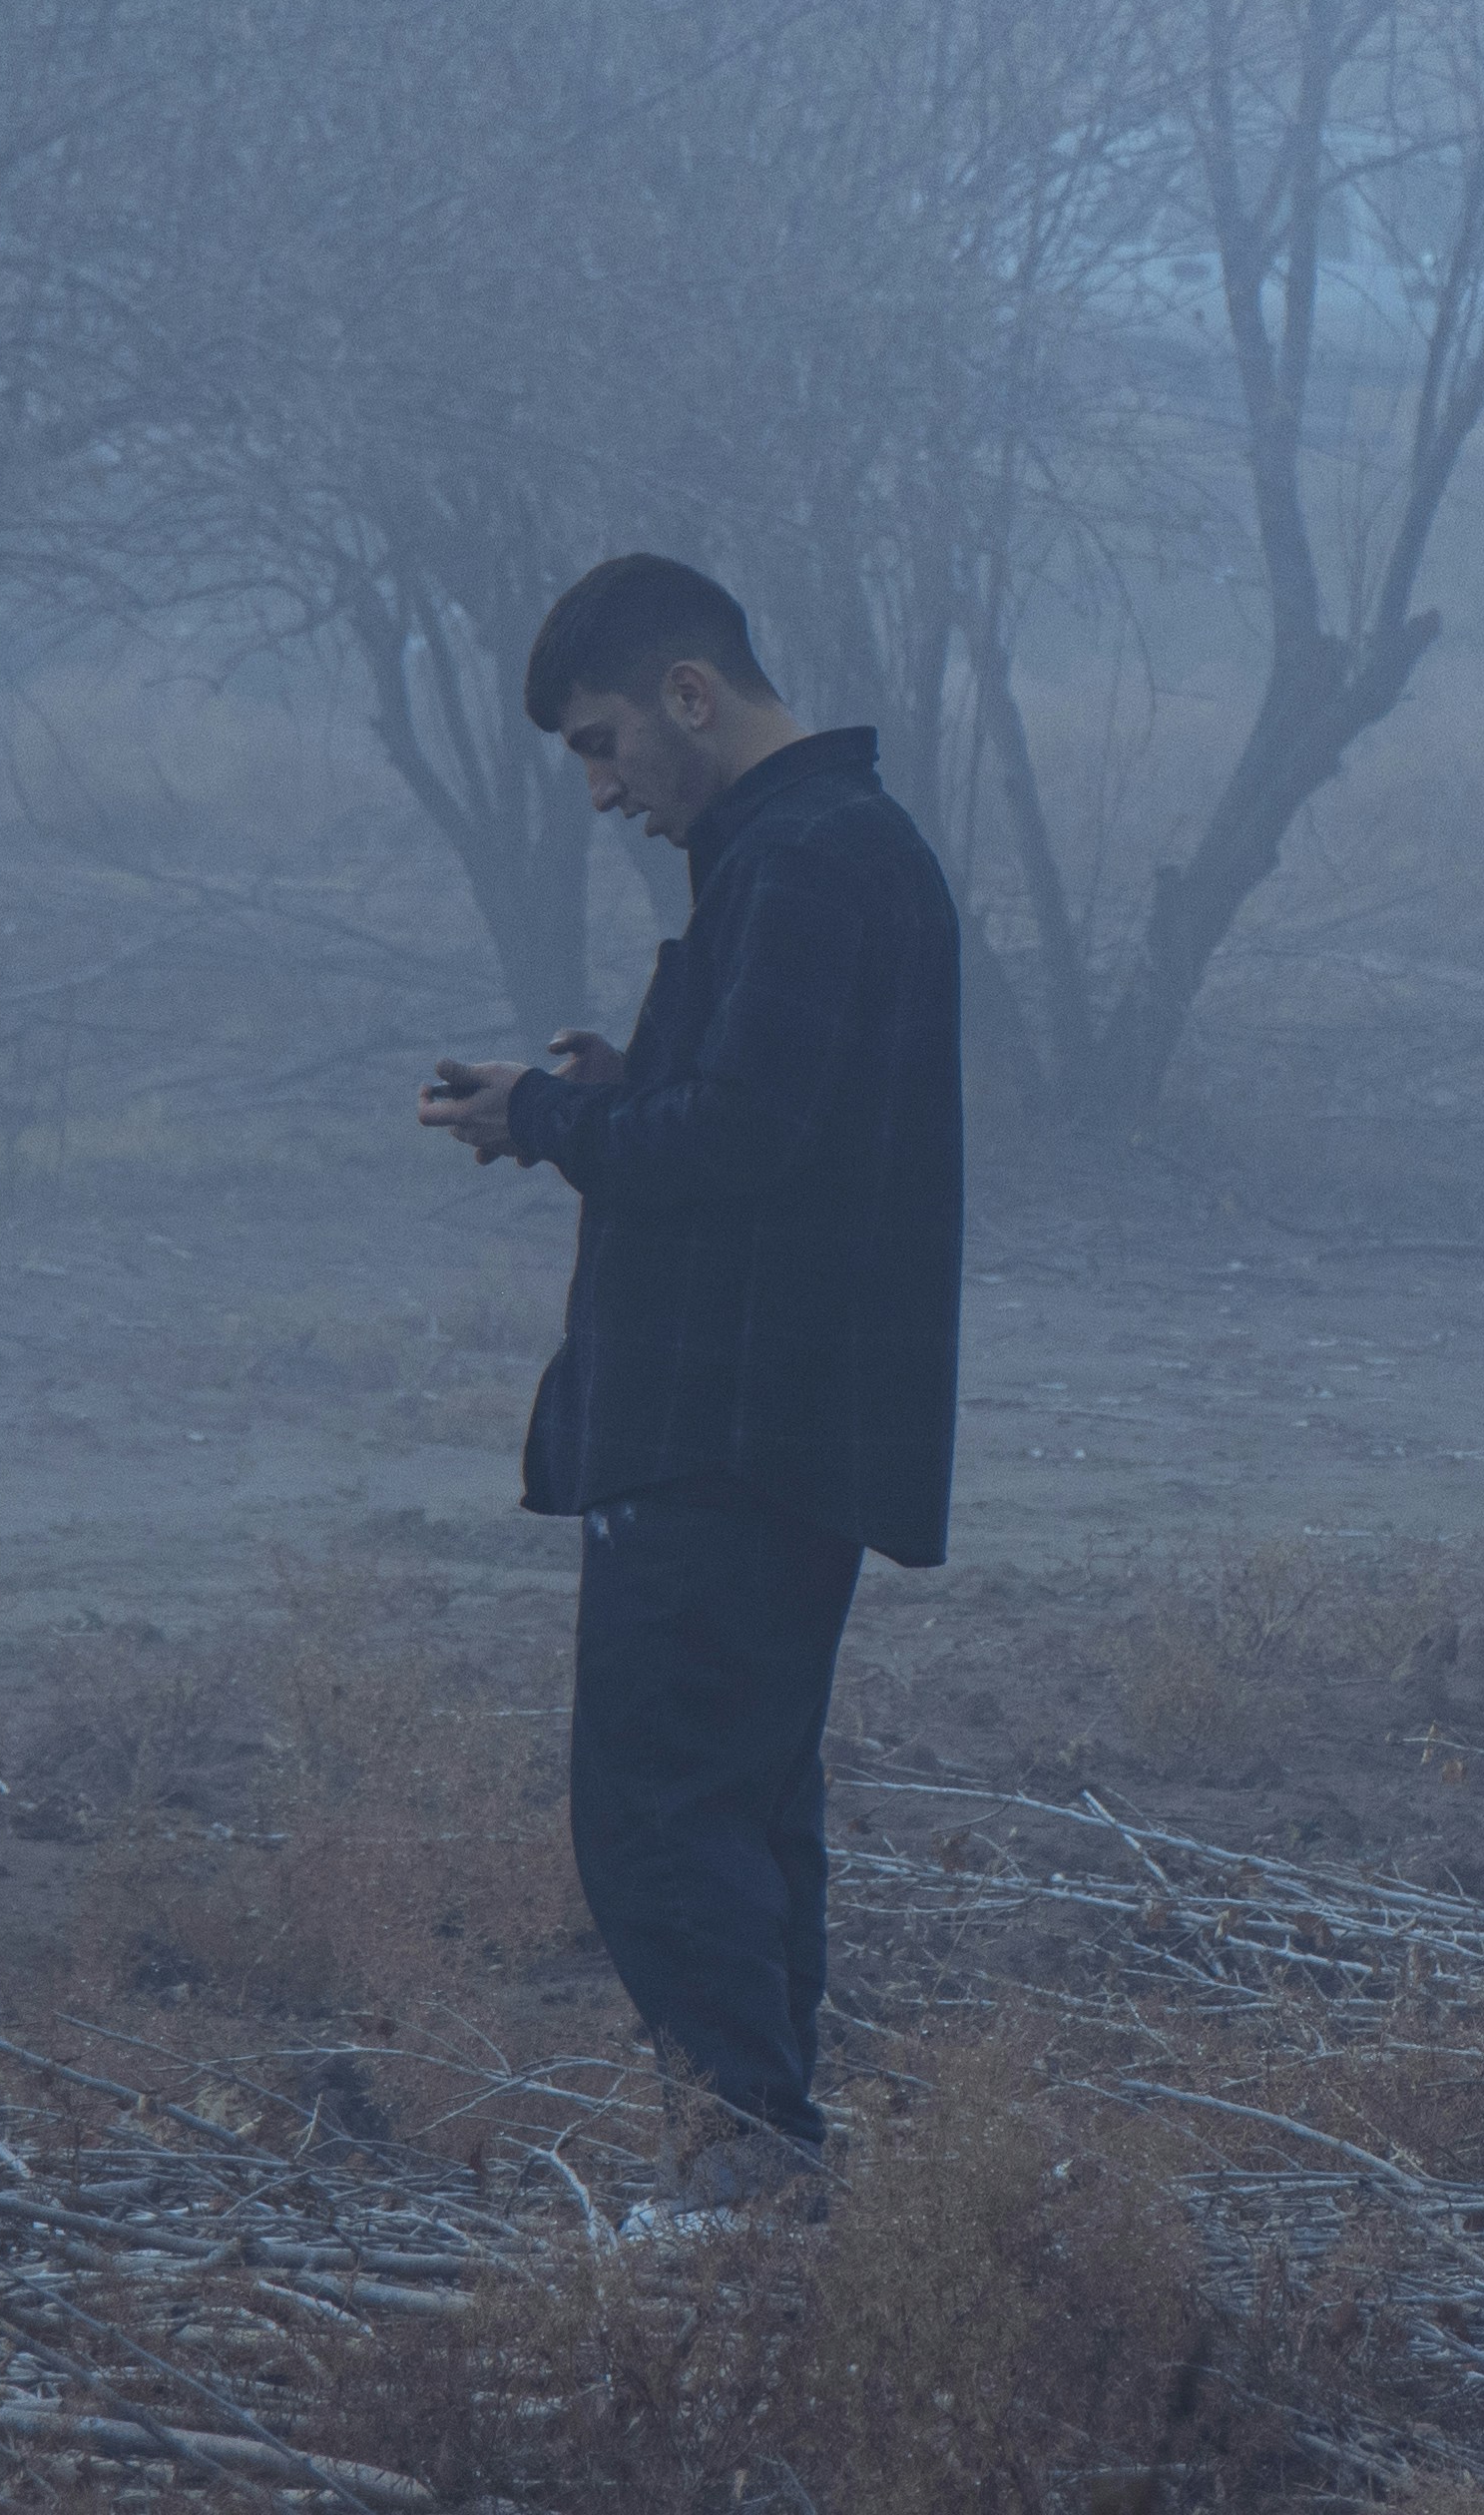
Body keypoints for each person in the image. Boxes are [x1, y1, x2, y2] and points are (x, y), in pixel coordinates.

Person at [417, 553, 960, 2211]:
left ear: (689, 696)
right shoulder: (835, 849)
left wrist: (551, 1118)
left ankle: (746, 2178)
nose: (601, 791)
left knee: (659, 1816)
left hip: (723, 1438)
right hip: (782, 1433)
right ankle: (768, 2179)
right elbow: (774, 1124)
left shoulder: (805, 863)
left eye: (602, 744)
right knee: (742, 1812)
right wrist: (622, 1086)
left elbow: (736, 1145)